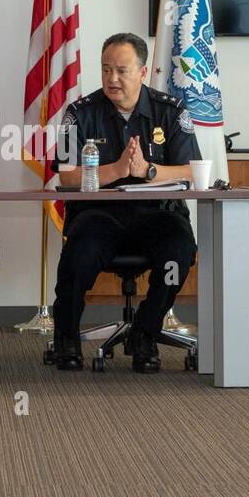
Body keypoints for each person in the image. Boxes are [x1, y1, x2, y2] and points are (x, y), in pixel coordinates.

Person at [50, 32, 200, 374]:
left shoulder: (171, 111)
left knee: (179, 251)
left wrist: (147, 170)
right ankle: (66, 337)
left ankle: (145, 331)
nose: (111, 79)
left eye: (121, 70)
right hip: (100, 214)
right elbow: (67, 178)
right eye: (105, 70)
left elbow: (191, 172)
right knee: (79, 254)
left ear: (143, 72)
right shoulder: (80, 113)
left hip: (156, 215)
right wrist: (116, 170)